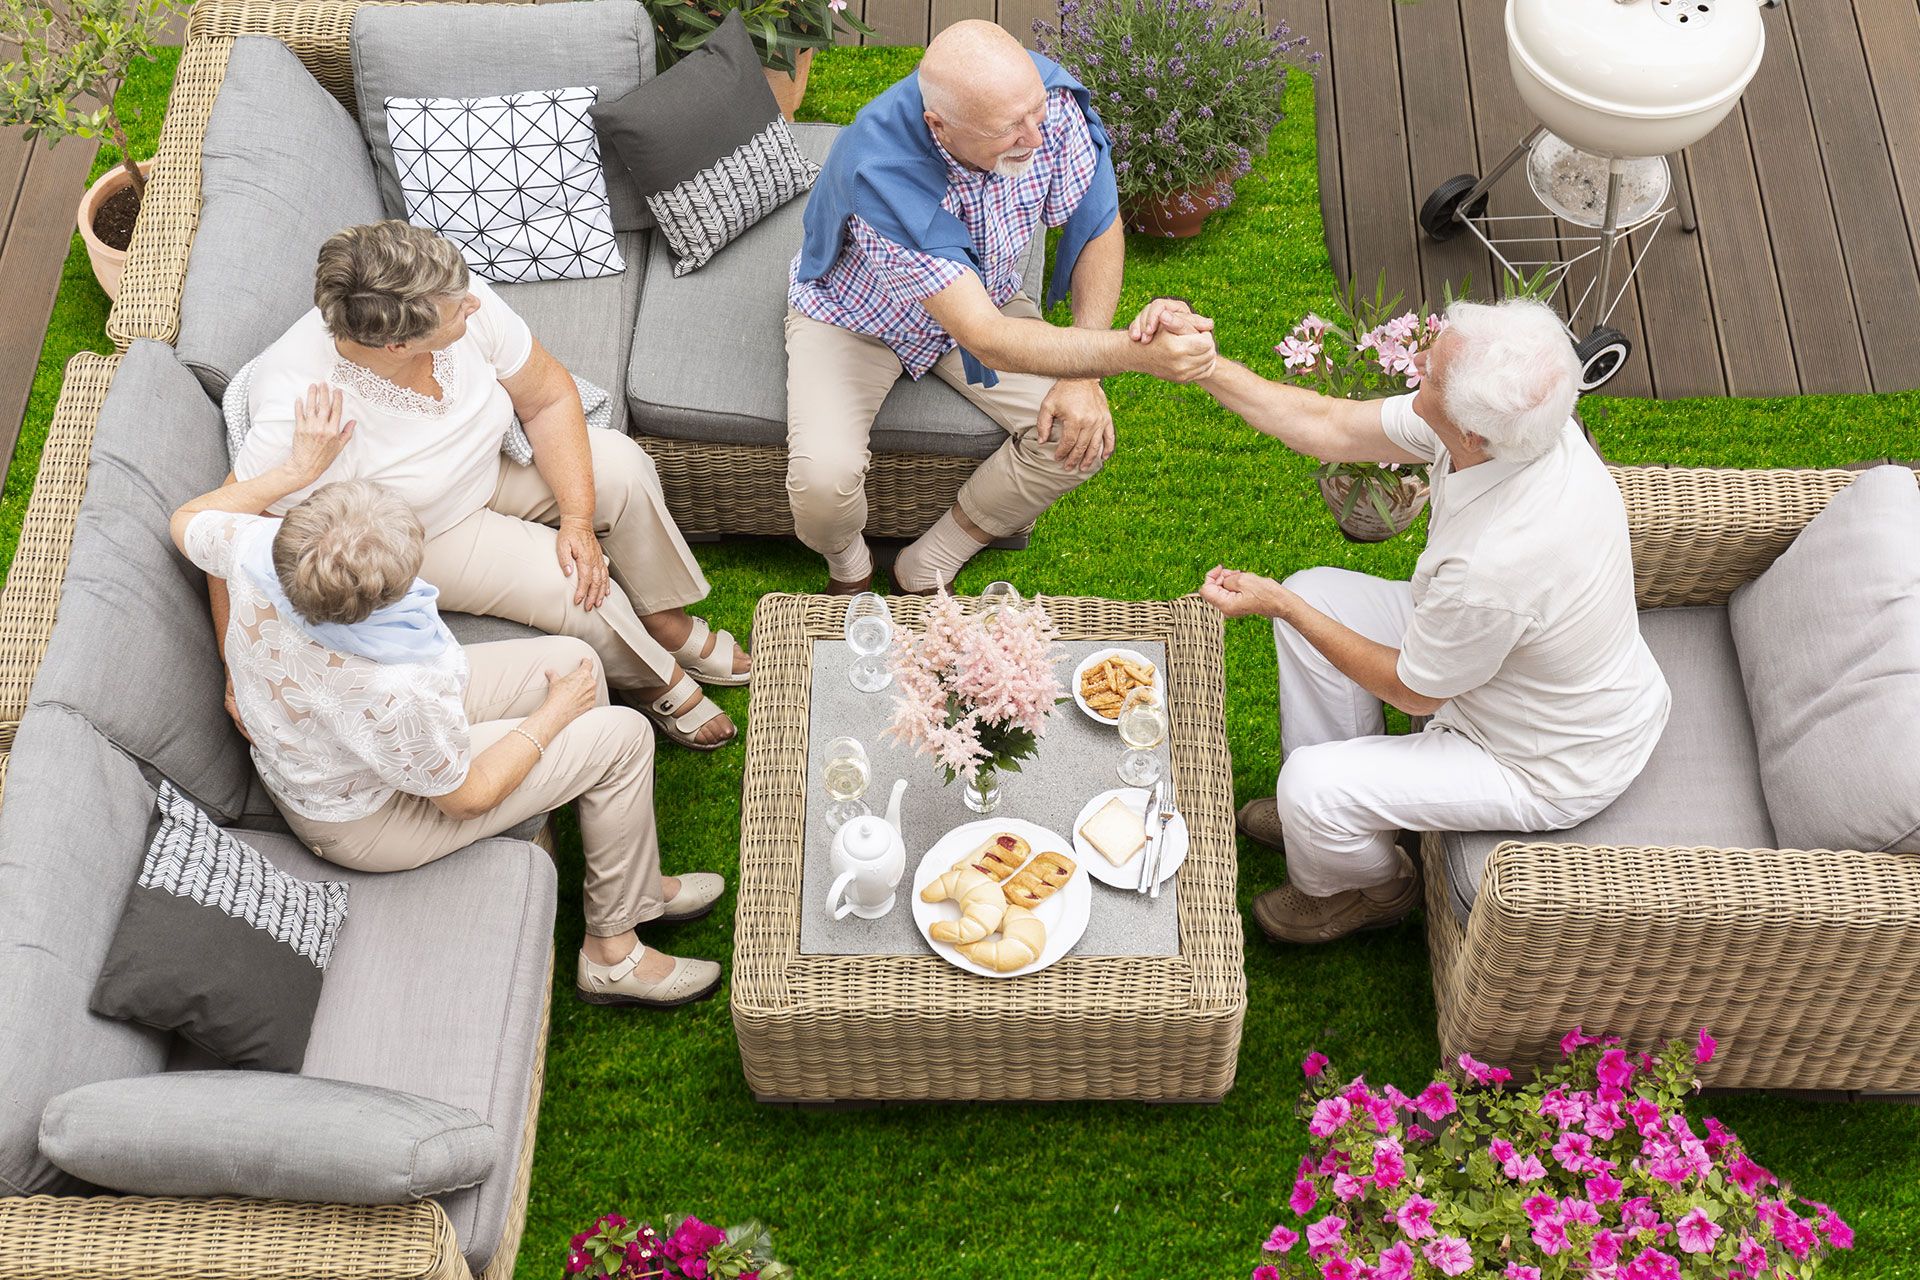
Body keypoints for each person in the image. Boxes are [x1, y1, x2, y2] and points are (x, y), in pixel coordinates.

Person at [1137, 296, 1671, 944]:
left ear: (1473, 433)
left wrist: (1281, 604)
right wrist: (1203, 366)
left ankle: (1370, 887)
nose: (1415, 360)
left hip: (1539, 757)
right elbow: (1326, 426)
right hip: (1500, 667)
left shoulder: (1498, 563)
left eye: (1432, 371)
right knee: (1319, 595)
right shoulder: (1526, 430)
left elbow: (1411, 690)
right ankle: (1335, 820)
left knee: (1309, 777)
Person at [169, 393, 724, 1008]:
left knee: (576, 661)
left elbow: (187, 518)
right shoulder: (398, 686)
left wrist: (296, 470)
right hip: (362, 816)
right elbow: (465, 797)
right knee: (622, 737)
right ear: (380, 601)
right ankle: (612, 954)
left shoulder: (262, 553)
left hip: (338, 739)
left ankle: (635, 884)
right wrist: (554, 716)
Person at [224, 220, 745, 753]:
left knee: (622, 466)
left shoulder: (450, 291)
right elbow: (232, 536)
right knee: (574, 584)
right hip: (429, 531)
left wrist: (577, 518)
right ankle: (654, 679)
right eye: (456, 310)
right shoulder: (299, 412)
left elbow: (548, 398)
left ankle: (664, 620)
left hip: (495, 461)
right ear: (398, 342)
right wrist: (235, 664)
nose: (474, 303)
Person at [788, 19, 1218, 594]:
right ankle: (849, 564)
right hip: (860, 316)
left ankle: (930, 561)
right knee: (821, 483)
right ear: (938, 126)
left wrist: (1083, 373)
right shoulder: (882, 169)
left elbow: (1098, 227)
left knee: (1079, 440)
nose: (1035, 138)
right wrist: (1133, 354)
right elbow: (984, 336)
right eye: (1009, 129)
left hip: (986, 294)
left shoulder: (1046, 104)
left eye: (1035, 114)